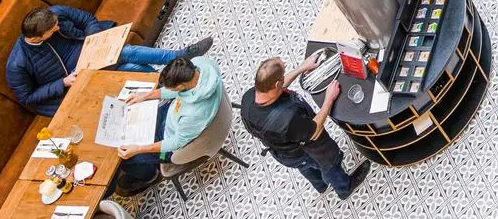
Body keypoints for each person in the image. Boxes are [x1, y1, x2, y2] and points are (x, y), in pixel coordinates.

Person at [6, 6, 203, 116]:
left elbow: (88, 19)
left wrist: (94, 41)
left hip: (95, 52)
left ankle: (169, 83)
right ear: (40, 36)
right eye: (54, 29)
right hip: (76, 79)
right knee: (126, 54)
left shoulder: (55, 13)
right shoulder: (18, 63)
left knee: (127, 62)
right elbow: (27, 98)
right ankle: (178, 62)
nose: (58, 27)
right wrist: (63, 83)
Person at [241, 52, 370, 199]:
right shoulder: (288, 120)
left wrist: (301, 68)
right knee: (328, 165)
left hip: (284, 152)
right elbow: (315, 130)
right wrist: (329, 98)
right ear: (277, 83)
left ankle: (320, 185)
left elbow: (278, 88)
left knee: (305, 167)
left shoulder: (249, 98)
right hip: (303, 149)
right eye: (284, 73)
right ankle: (344, 188)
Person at [116, 52, 222, 188]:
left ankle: (150, 177)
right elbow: (174, 92)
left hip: (174, 142)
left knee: (125, 160)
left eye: (170, 88)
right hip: (173, 117)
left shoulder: (193, 114)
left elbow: (176, 143)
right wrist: (145, 95)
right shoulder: (201, 64)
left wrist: (138, 149)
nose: (166, 90)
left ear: (181, 87)